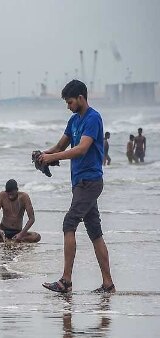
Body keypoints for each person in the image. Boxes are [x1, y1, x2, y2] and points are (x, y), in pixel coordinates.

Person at [37, 80, 115, 294]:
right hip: (79, 182)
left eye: (70, 102)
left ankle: (66, 281)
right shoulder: (73, 121)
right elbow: (61, 146)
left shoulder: (93, 118)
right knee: (95, 231)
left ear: (81, 98)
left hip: (90, 181)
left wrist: (53, 156)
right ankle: (108, 285)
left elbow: (81, 149)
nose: (68, 106)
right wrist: (43, 154)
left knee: (69, 222)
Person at [0, 179, 41, 243]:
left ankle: (9, 240)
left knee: (36, 237)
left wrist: (21, 234)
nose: (10, 197)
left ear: (16, 190)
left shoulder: (24, 197)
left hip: (17, 231)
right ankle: (3, 239)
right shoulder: (2, 195)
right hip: (3, 229)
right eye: (8, 194)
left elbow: (32, 219)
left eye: (12, 194)